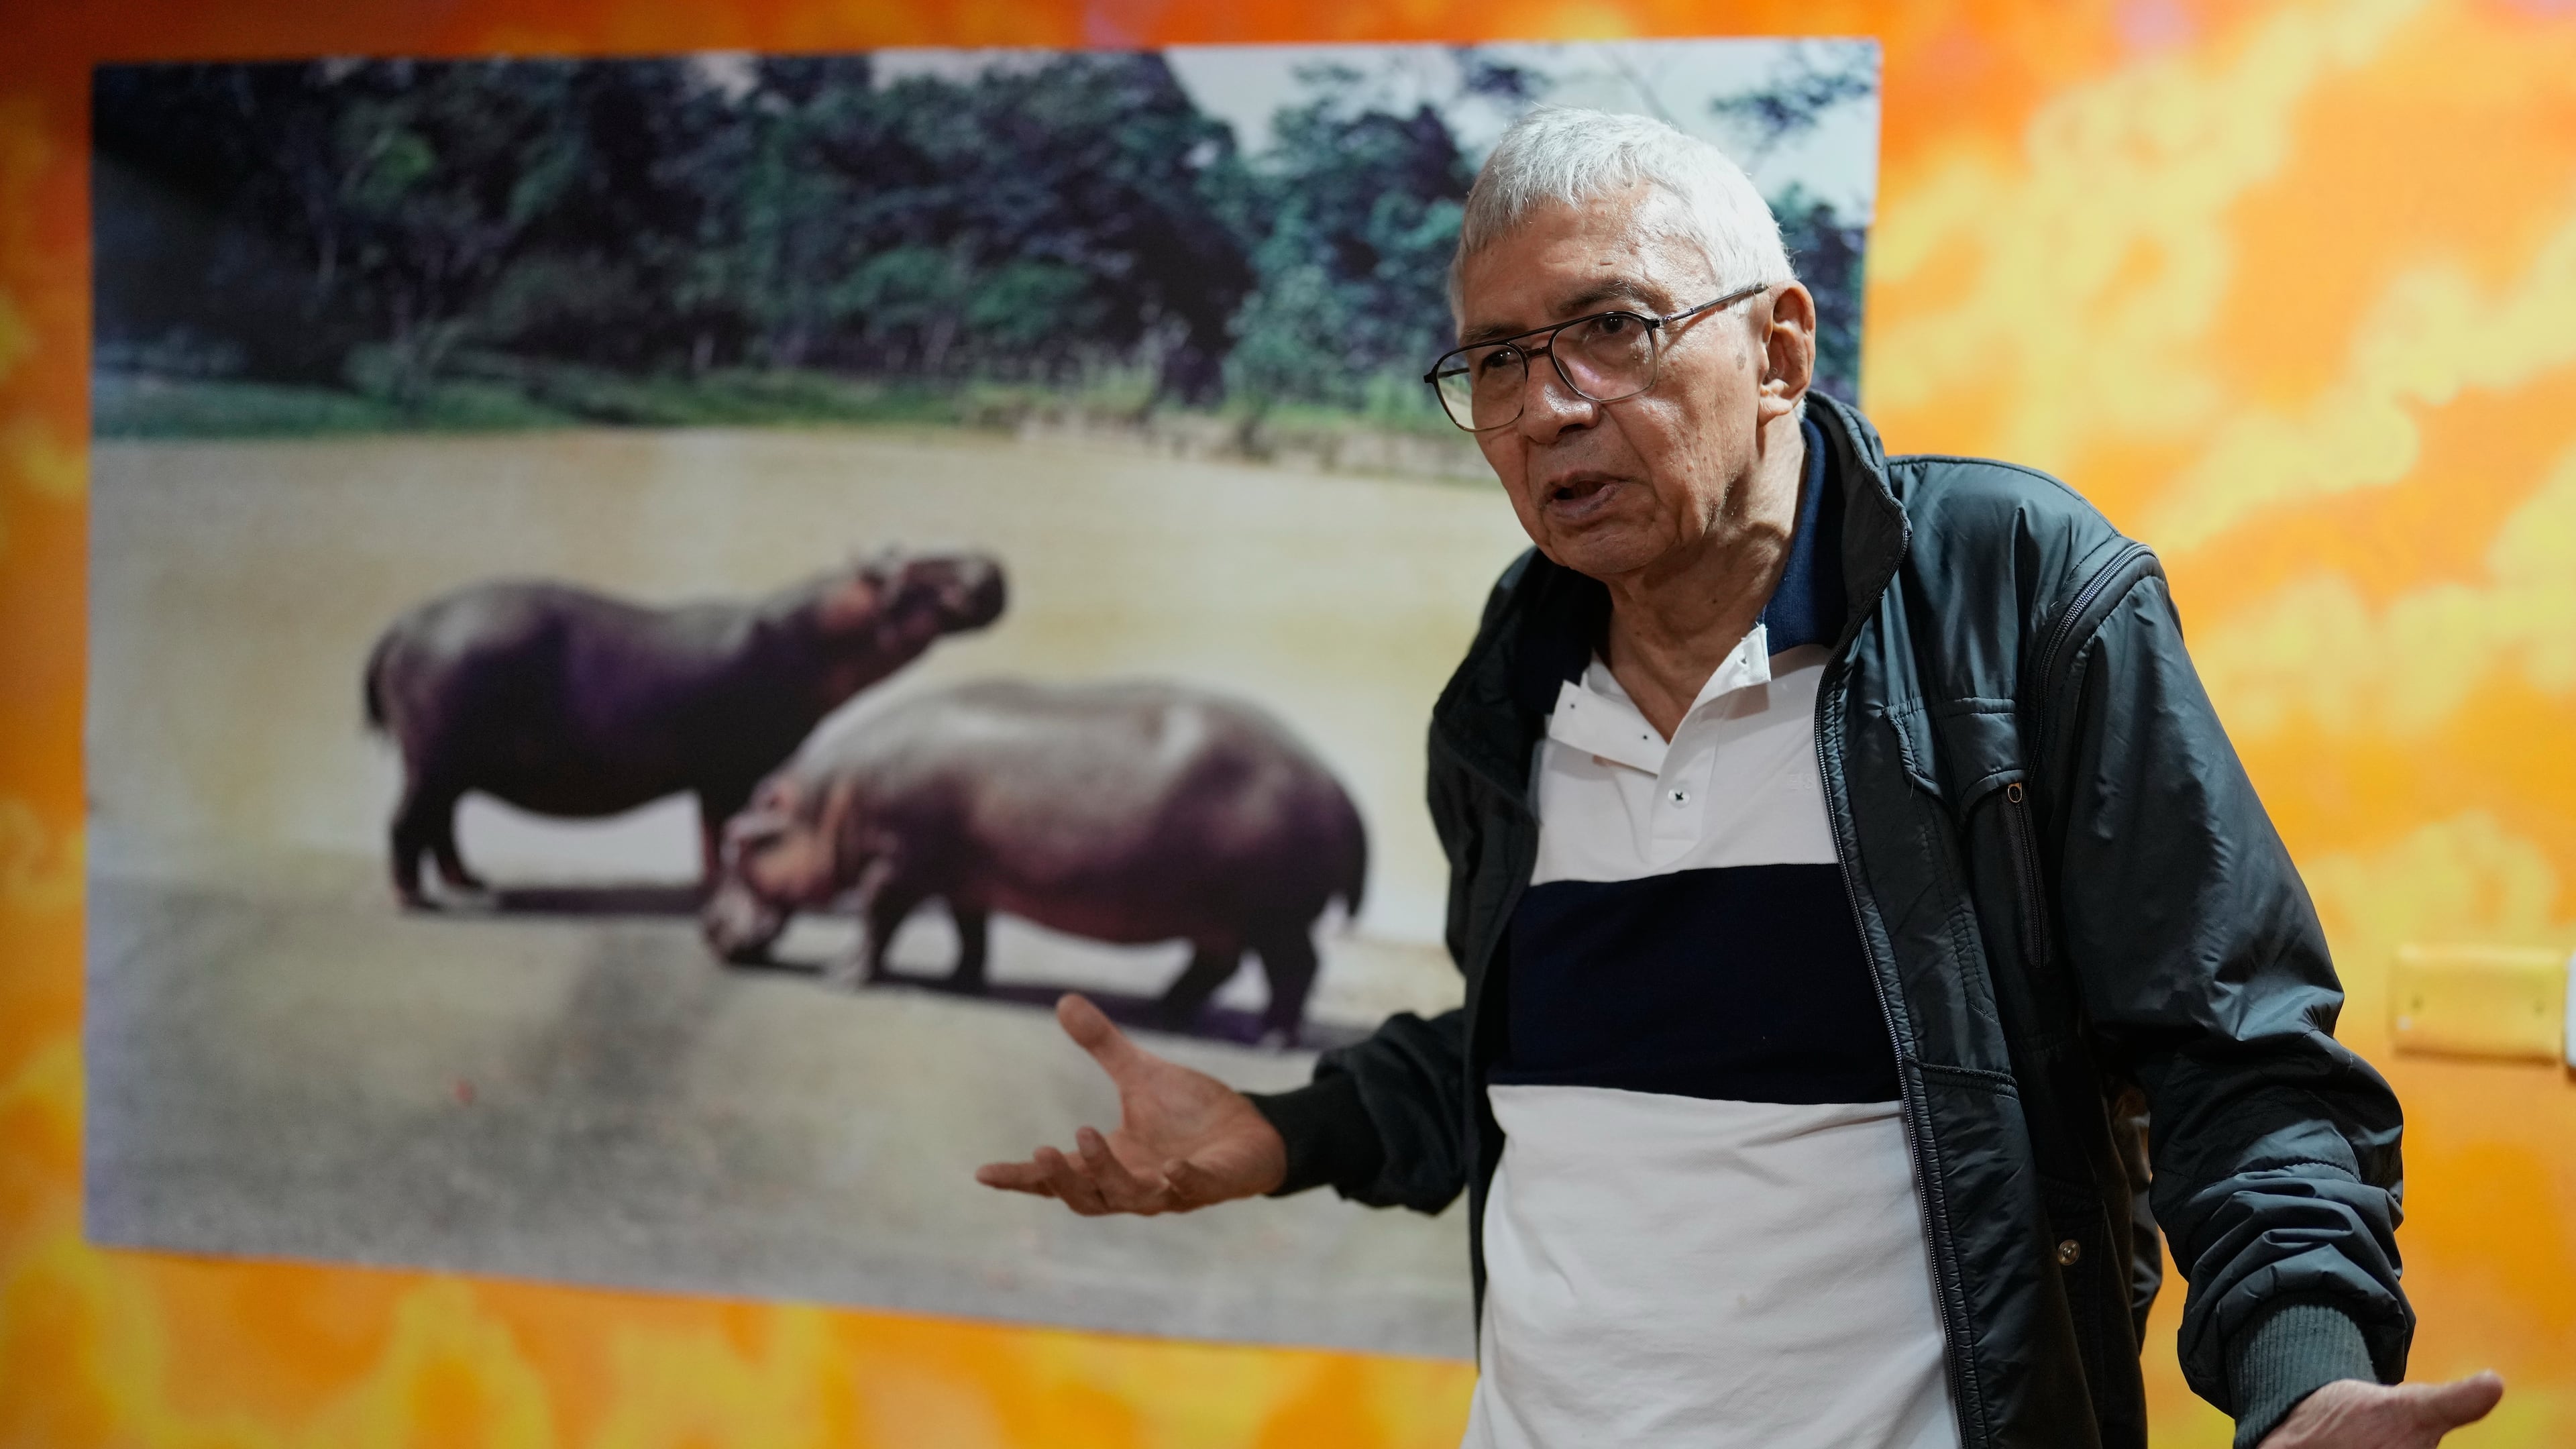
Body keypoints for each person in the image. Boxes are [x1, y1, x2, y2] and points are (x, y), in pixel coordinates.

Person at [975, 107, 2503, 1449]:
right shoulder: (1508, 691)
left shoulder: (2012, 596)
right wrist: (1283, 1132)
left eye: (1612, 330)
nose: (1546, 407)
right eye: (1497, 361)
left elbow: (2235, 1054)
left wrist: (2305, 1375)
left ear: (1776, 348)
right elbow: (1548, 1046)